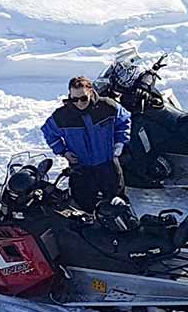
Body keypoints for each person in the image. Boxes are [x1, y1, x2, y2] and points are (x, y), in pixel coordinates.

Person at [41, 76, 133, 212]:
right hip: (81, 168)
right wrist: (63, 152)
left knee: (116, 202)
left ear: (90, 92)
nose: (79, 103)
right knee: (83, 207)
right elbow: (49, 133)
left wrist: (120, 142)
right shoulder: (62, 116)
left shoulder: (108, 106)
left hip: (108, 165)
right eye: (74, 99)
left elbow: (124, 120)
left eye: (83, 98)